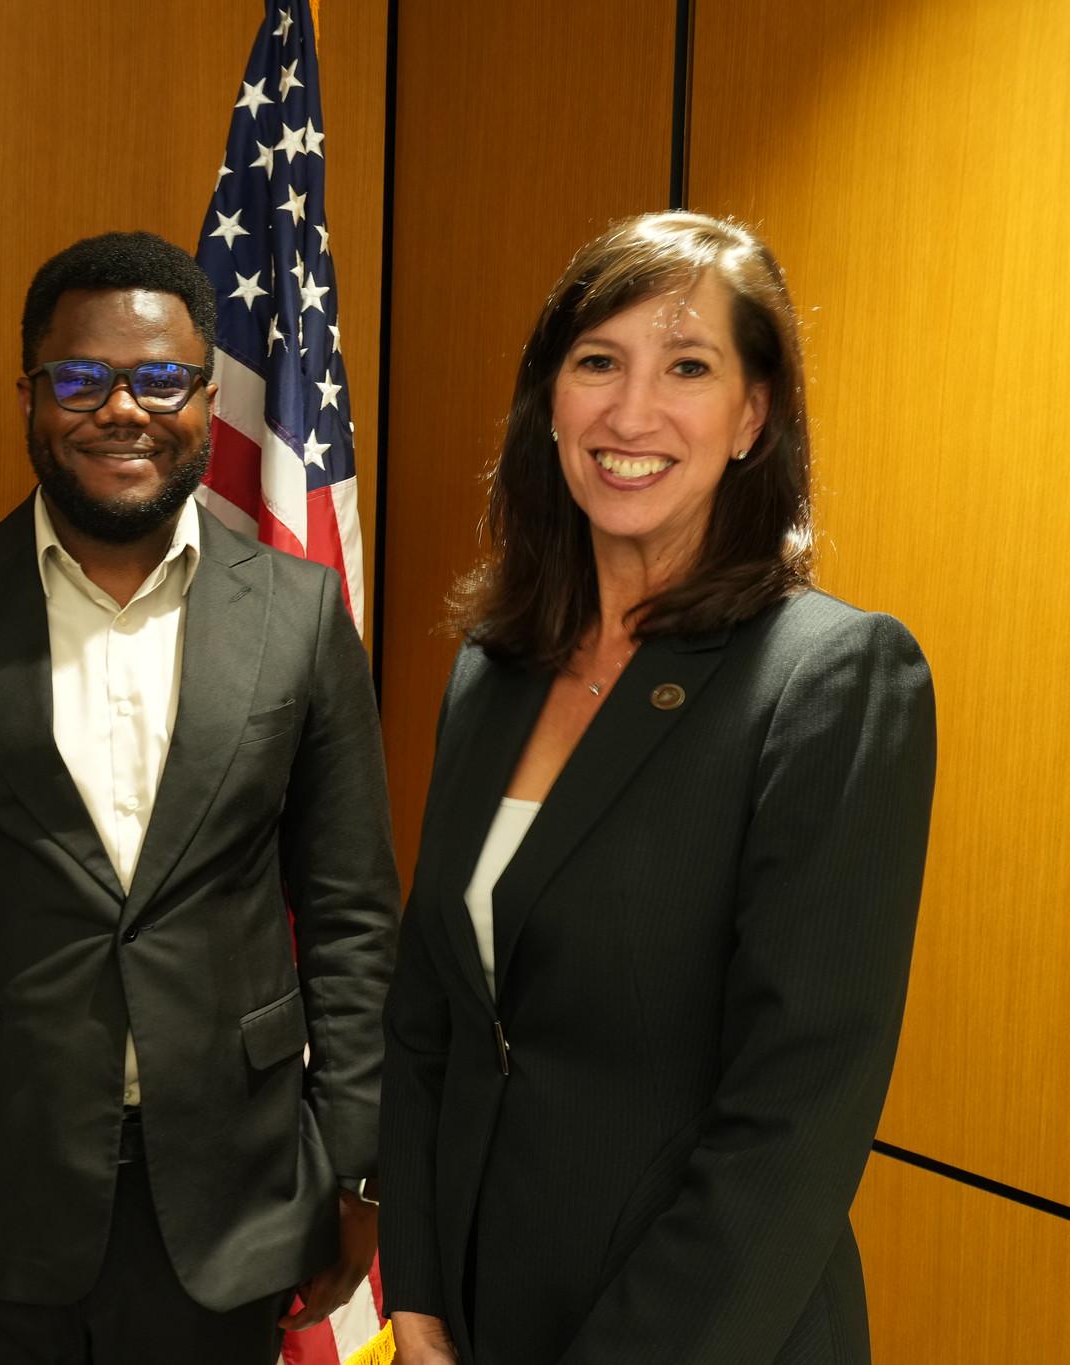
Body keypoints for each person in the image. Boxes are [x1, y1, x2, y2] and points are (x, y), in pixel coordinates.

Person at [0, 230, 400, 1364]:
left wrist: (353, 1162)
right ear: (29, 396)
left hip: (236, 1200)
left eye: (158, 380)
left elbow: (350, 918)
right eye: (79, 380)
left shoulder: (298, 616)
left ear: (203, 395)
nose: (120, 410)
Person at [377, 211, 936, 1365]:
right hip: (481, 1317)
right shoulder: (493, 668)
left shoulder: (830, 678)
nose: (630, 414)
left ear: (752, 415)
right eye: (597, 363)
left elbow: (792, 1119)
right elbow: (433, 1012)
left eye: (686, 367)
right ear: (548, 402)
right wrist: (419, 1289)